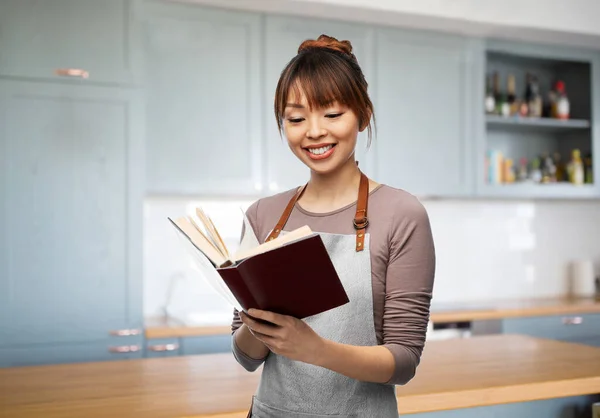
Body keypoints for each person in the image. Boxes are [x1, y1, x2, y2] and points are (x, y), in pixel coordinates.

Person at [230, 34, 436, 418]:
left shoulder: (401, 214)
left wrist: (315, 349)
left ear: (363, 115)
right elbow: (245, 356)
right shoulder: (263, 216)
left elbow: (404, 361)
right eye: (295, 118)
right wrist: (257, 322)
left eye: (332, 114)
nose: (313, 131)